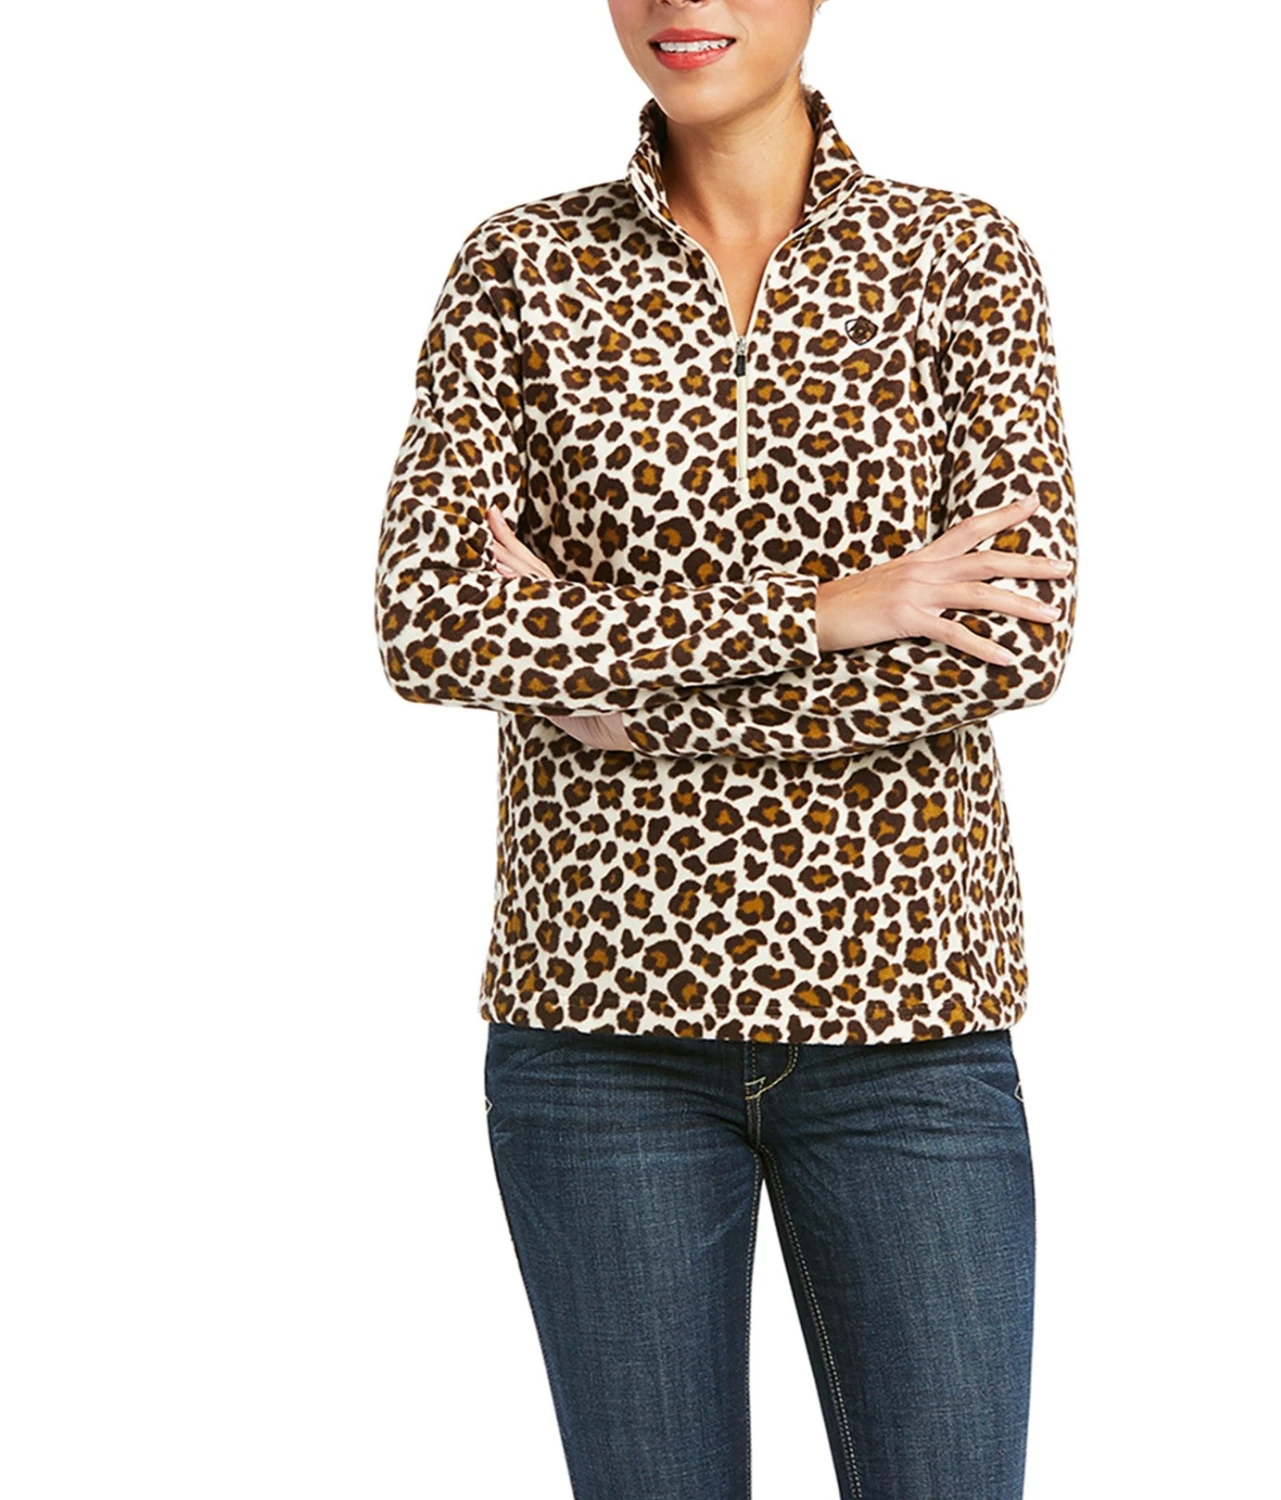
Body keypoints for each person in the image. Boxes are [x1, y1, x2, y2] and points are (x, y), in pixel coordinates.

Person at [373, 2, 1077, 1495]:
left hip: (906, 1019)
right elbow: (429, 627)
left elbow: (1013, 643)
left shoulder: (959, 260)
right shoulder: (520, 270)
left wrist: (592, 671)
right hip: (598, 1022)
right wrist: (835, 611)